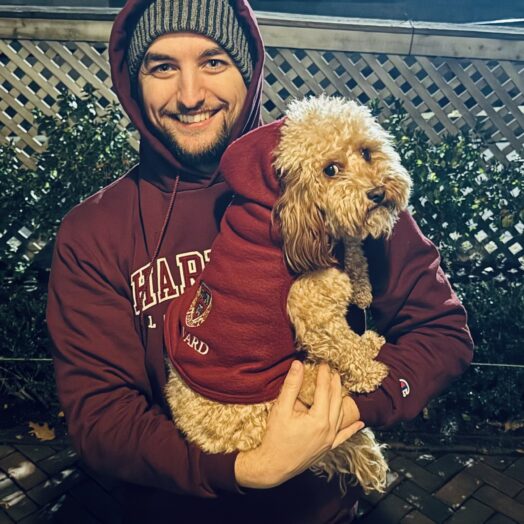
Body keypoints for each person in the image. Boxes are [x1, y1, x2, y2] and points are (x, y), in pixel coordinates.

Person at [46, 0, 474, 522]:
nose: (189, 95)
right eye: (162, 66)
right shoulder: (93, 231)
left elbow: (443, 333)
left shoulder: (334, 182)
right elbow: (101, 418)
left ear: (248, 70)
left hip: (321, 511)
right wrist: (246, 468)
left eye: (213, 62)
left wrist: (341, 413)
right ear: (133, 83)